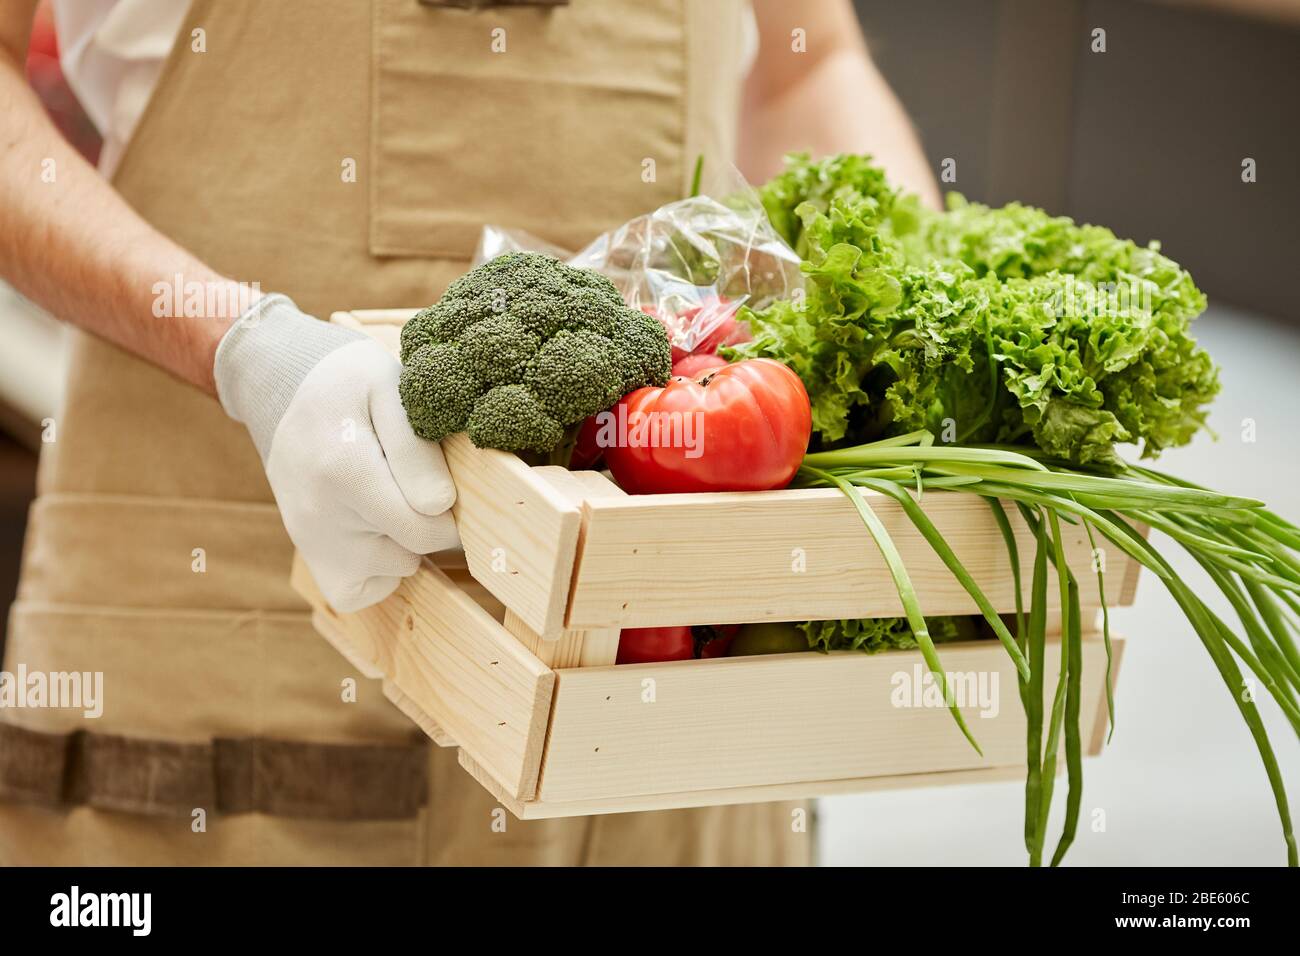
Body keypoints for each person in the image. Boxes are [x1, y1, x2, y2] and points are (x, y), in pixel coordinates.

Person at [0, 0, 939, 865]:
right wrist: (246, 352)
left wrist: (925, 322)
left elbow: (806, 72)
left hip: (666, 710)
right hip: (226, 641)